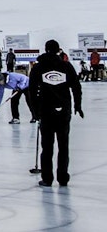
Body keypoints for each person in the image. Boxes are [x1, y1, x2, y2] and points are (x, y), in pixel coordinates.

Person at [29, 39, 83, 187]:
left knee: (47, 147)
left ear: (46, 49)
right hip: (63, 111)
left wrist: (35, 111)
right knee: (63, 145)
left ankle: (47, 178)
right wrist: (78, 105)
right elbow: (76, 87)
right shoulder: (66, 66)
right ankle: (63, 177)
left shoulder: (38, 68)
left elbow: (32, 91)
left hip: (46, 111)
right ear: (58, 50)